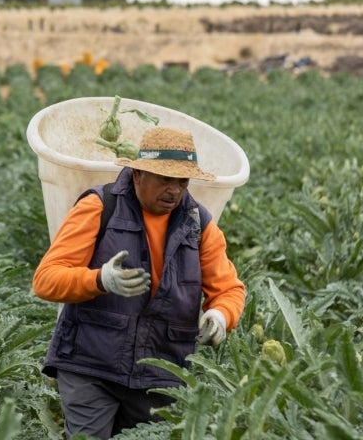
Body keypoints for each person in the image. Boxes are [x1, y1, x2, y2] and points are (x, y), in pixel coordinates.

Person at [33, 126, 246, 439]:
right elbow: (46, 279)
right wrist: (99, 279)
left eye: (182, 181)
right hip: (92, 365)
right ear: (137, 173)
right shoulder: (99, 206)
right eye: (165, 179)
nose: (175, 190)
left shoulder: (199, 224)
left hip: (160, 372)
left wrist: (221, 315)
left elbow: (229, 289)